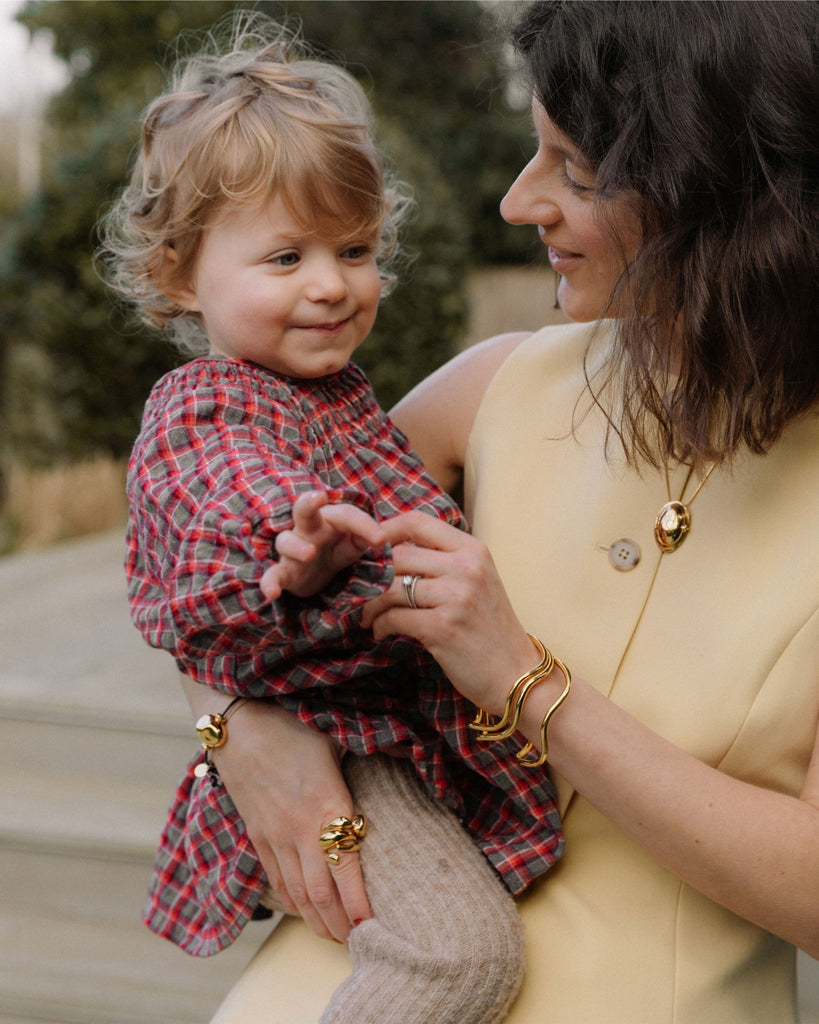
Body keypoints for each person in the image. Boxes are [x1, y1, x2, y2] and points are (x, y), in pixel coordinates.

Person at [187, 2, 819, 1022]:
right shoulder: (497, 387)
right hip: (348, 988)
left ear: (718, 193)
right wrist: (243, 730)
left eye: (571, 170)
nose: (518, 203)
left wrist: (524, 682)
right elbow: (218, 568)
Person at [98, 13, 566, 1024]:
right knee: (459, 958)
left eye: (353, 249)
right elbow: (232, 506)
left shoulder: (339, 396)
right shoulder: (206, 404)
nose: (330, 283)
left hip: (383, 733)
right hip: (342, 739)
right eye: (285, 257)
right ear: (180, 275)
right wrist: (296, 554)